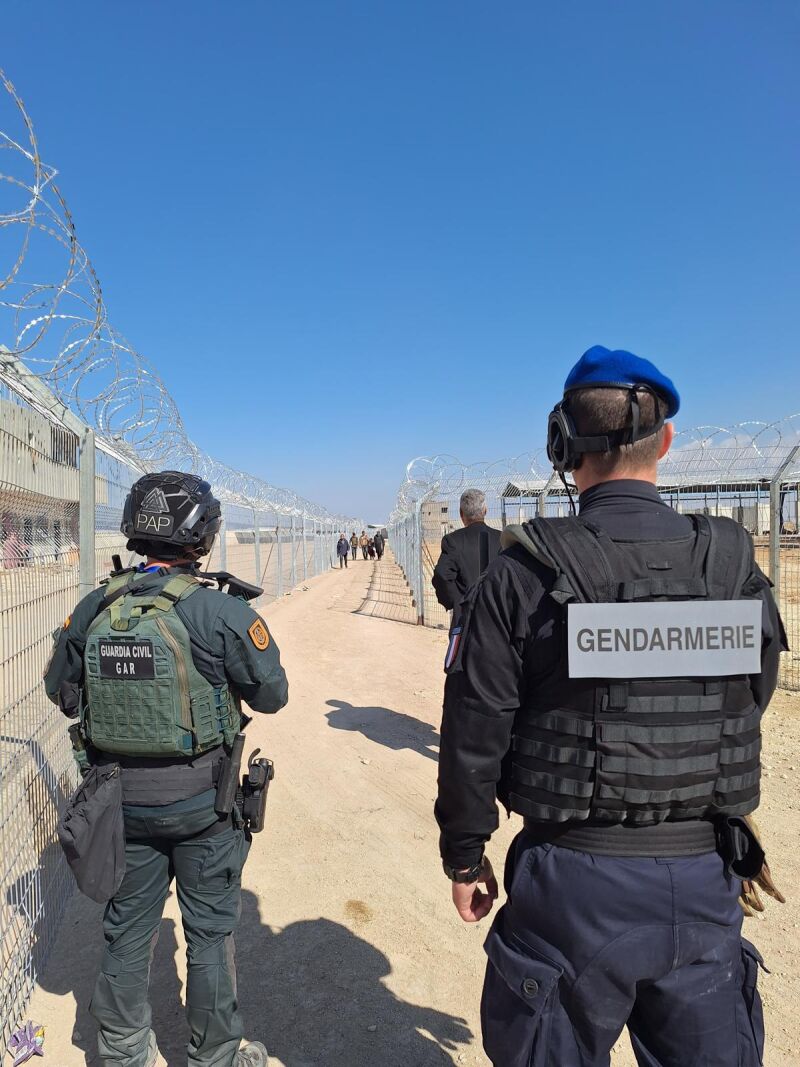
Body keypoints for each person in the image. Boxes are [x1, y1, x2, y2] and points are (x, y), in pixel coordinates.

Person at [435, 346, 787, 1067]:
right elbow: (753, 691)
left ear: (561, 447)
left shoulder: (521, 571)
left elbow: (475, 731)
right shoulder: (728, 562)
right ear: (666, 441)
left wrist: (465, 855)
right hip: (703, 876)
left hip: (570, 881)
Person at [44, 471, 289, 1067]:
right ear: (200, 536)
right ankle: (217, 1057)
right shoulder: (218, 611)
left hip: (121, 806)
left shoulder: (96, 606)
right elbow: (272, 695)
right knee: (208, 936)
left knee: (126, 932)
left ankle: (125, 1053)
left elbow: (62, 690)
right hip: (205, 809)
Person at [431, 488, 501, 622]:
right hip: (497, 618)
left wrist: (454, 601)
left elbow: (442, 575)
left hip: (466, 617)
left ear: (461, 513)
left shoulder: (453, 540)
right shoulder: (501, 539)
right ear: (485, 510)